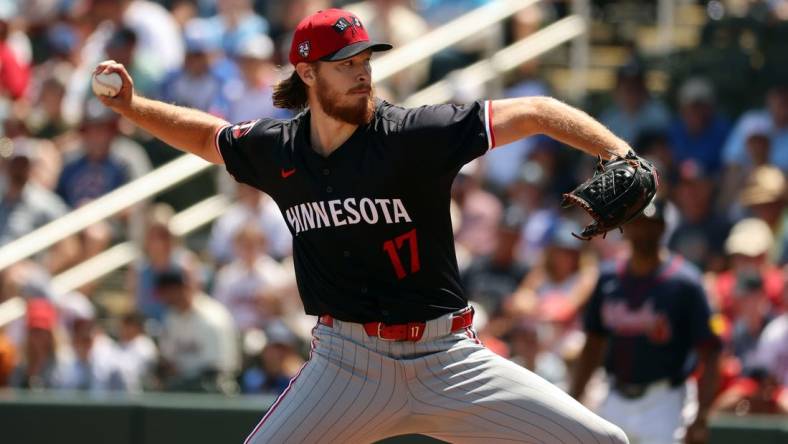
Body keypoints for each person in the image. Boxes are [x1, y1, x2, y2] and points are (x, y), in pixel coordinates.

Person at [93, 8, 632, 443]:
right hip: (348, 366)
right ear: (307, 73)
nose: (362, 70)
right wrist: (133, 105)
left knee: (603, 441)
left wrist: (618, 151)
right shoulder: (279, 150)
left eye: (365, 59)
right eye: (344, 62)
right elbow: (208, 137)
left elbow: (535, 109)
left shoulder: (413, 134)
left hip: (449, 358)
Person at [569, 199, 721, 444]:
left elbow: (710, 352)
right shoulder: (608, 277)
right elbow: (593, 344)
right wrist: (574, 399)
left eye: (652, 225)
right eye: (638, 224)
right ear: (626, 227)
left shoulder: (685, 283)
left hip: (665, 400)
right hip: (614, 394)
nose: (644, 231)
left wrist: (701, 415)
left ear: (663, 229)